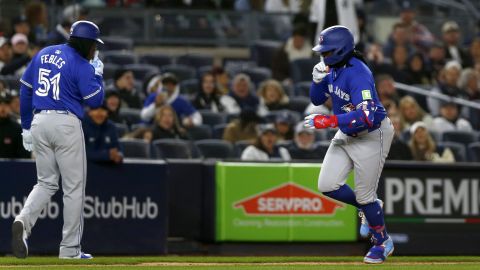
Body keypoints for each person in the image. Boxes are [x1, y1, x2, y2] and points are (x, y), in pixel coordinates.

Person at [13, 20, 105, 260]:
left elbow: (24, 89)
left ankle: (23, 220)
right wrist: (97, 74)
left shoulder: (44, 52)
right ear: (86, 43)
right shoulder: (82, 63)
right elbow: (95, 101)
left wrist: (25, 127)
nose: (95, 49)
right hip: (66, 123)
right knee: (73, 188)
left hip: (39, 122)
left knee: (45, 183)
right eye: (94, 44)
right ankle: (70, 250)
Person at [304, 26, 395, 264]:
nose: (323, 56)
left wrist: (330, 120)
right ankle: (369, 207)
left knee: (366, 196)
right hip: (348, 132)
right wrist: (316, 81)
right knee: (327, 184)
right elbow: (316, 99)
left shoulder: (358, 73)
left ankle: (382, 241)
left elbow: (366, 116)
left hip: (372, 134)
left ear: (340, 50)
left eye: (327, 52)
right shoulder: (333, 68)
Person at [0, 94, 30, 158]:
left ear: (10, 107)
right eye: (0, 104)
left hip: (12, 166)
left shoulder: (17, 129)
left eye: (6, 105)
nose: (3, 108)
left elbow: (24, 155)